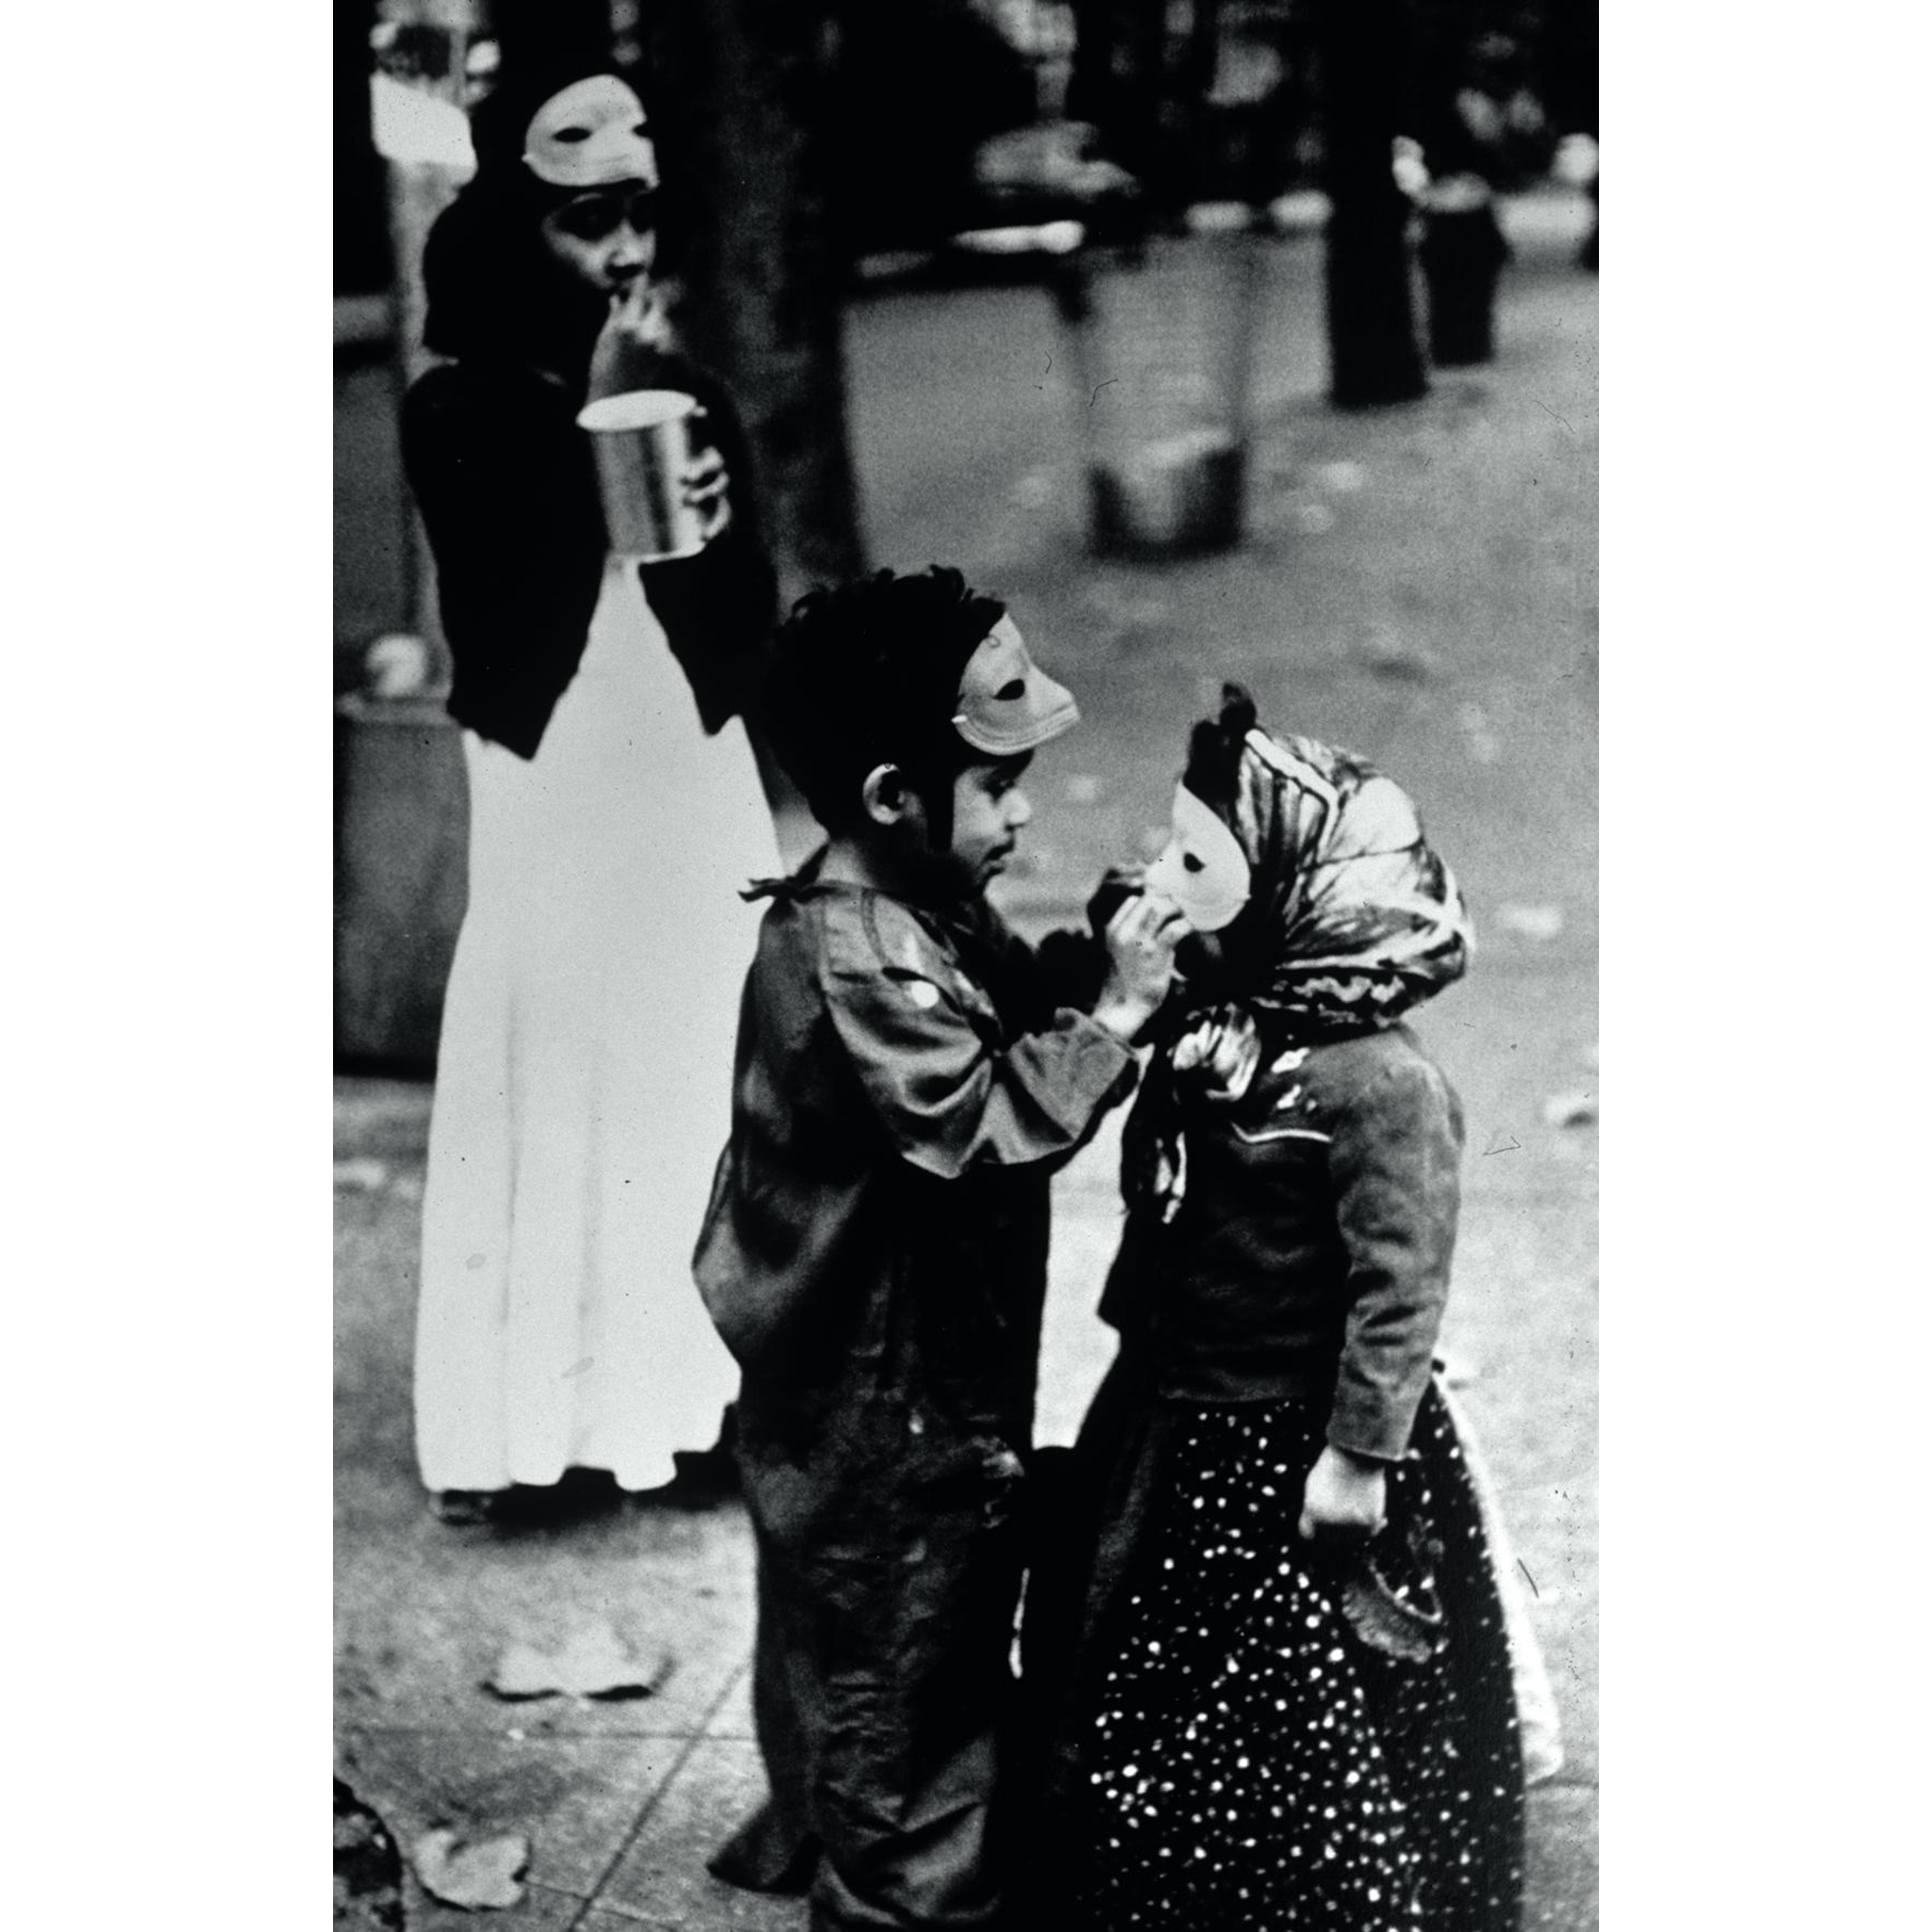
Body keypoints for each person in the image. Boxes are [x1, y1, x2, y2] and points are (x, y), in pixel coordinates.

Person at [693, 567, 1187, 1929]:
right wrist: (1124, 1022)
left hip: (875, 1365)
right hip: (876, 1393)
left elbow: (999, 995)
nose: (1022, 811)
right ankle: (900, 1895)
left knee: (846, 1629)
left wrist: (1090, 960)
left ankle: (828, 1819)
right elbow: (979, 1121)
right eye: (998, 786)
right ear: (894, 798)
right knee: (904, 1648)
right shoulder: (861, 959)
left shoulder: (910, 907)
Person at [1026, 685, 1524, 1930]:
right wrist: (1126, 977)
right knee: (1158, 1659)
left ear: (1301, 894)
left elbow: (1398, 1287)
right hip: (1174, 1409)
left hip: (1294, 1442)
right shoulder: (1219, 1019)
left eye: (1195, 857)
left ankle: (1313, 1886)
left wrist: (1362, 1453)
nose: (1159, 869)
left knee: (1302, 1691)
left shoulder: (1379, 1085)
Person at [401, 63, 780, 1522]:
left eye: (638, 222)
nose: (623, 256)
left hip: (678, 755)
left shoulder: (677, 384)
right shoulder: (460, 408)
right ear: (515, 231)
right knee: (564, 1064)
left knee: (692, 1058)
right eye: (585, 225)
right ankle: (538, 1423)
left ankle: (684, 1408)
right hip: (559, 762)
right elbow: (522, 607)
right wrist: (611, 414)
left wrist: (686, 443)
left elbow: (734, 605)